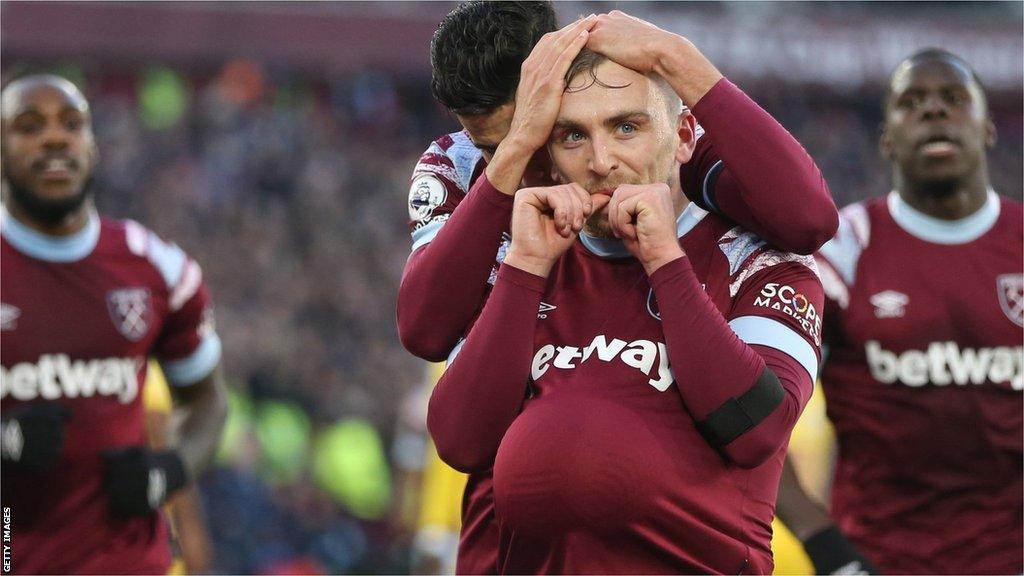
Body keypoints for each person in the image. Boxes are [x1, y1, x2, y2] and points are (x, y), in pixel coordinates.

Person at [398, 3, 838, 572]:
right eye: (503, 145)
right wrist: (507, 179)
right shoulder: (464, 171)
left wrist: (672, 56)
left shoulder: (662, 153)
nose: (534, 167)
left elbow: (807, 220)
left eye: (541, 136)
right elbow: (425, 335)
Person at [775, 49, 1023, 575]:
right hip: (876, 561)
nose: (934, 112)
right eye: (912, 102)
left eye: (955, 99)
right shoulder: (839, 251)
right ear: (886, 137)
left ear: (988, 128)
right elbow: (749, 415)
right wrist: (827, 548)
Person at [0, 74, 228, 574]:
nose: (55, 137)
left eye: (72, 123)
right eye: (29, 125)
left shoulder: (156, 267)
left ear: (93, 145)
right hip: (10, 549)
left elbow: (208, 402)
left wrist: (167, 473)